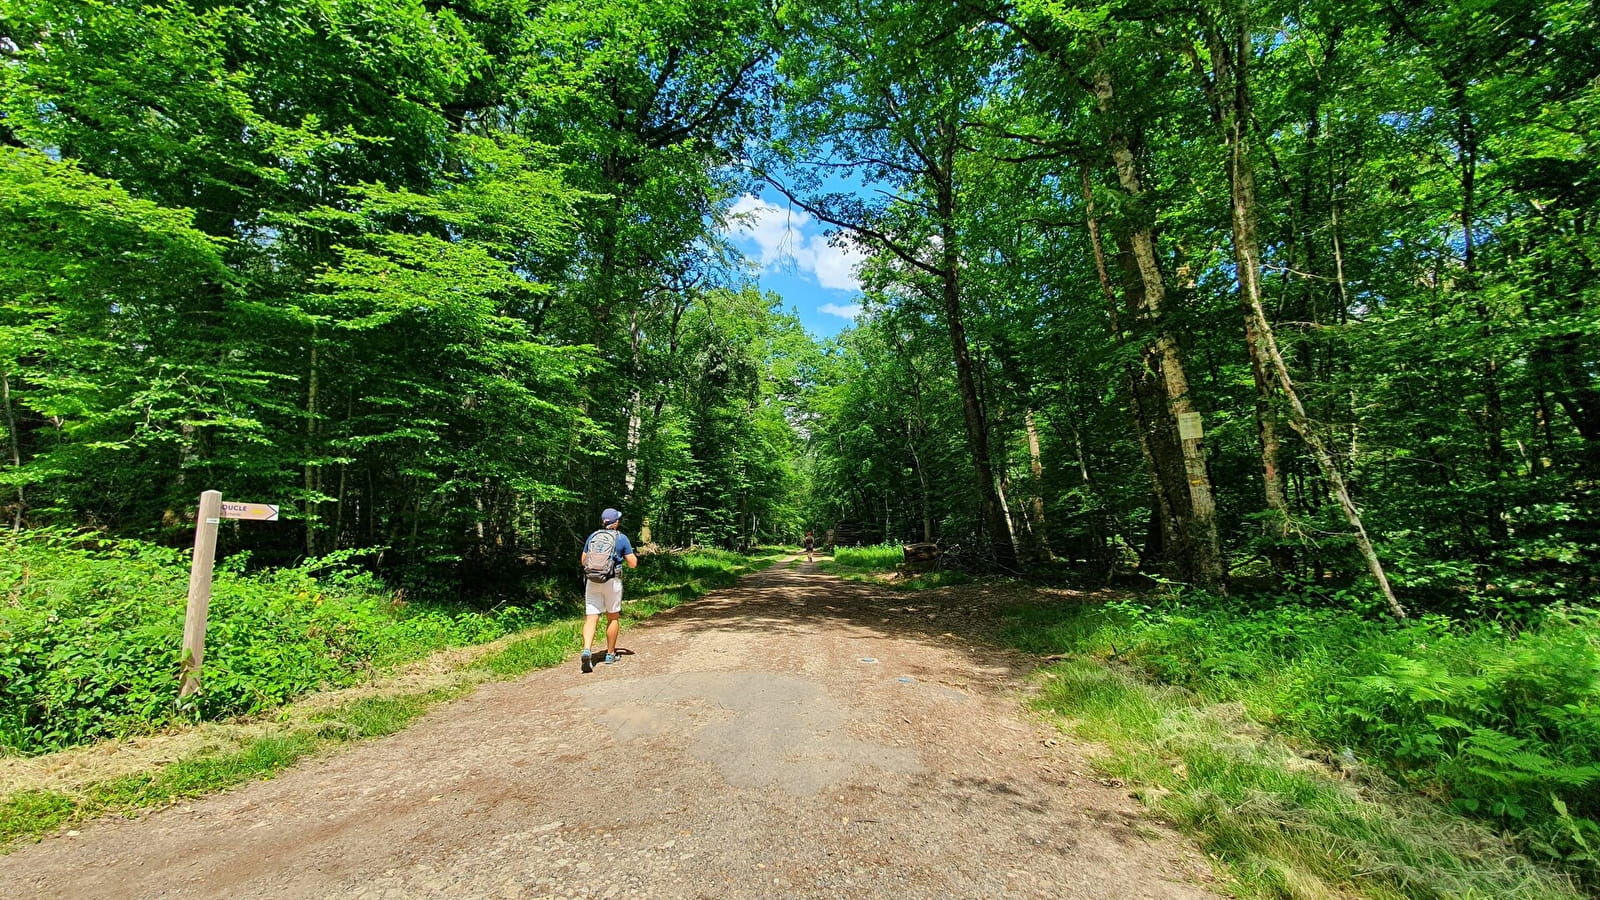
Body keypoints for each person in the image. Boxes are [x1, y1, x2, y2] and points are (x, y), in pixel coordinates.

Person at [579, 507, 638, 673]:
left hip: (592, 580)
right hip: (612, 581)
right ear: (616, 522)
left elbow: (583, 561)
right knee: (612, 618)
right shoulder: (621, 538)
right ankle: (610, 654)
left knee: (591, 618)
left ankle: (587, 650)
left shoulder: (593, 536)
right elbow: (633, 564)